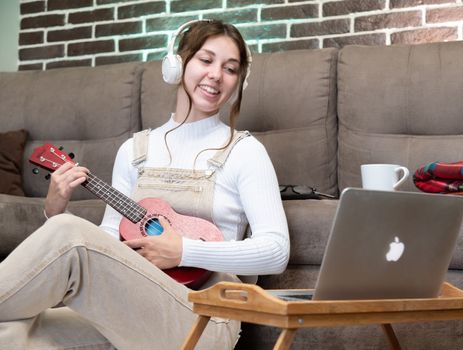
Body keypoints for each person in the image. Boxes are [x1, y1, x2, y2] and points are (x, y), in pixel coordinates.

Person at [0, 20, 289, 350]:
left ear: (240, 81)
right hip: (130, 305)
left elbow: (275, 252)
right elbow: (108, 241)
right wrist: (54, 211)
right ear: (177, 64)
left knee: (69, 231)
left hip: (208, 315)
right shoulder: (134, 151)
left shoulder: (244, 151)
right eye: (206, 60)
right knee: (10, 329)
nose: (216, 75)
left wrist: (182, 250)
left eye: (231, 68)